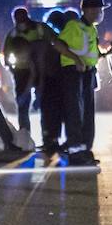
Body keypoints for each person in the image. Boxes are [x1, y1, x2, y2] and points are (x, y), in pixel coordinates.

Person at [52, 0, 112, 166]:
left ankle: (85, 150)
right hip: (72, 74)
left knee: (87, 114)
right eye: (99, 10)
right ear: (89, 10)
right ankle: (76, 153)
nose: (101, 13)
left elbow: (93, 56)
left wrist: (111, 51)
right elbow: (58, 44)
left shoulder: (91, 29)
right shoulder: (74, 26)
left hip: (87, 74)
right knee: (75, 113)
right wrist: (76, 60)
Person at [1, 6, 50, 133]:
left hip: (42, 70)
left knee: (45, 104)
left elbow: (53, 43)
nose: (19, 21)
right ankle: (25, 134)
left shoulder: (40, 29)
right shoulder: (12, 34)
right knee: (23, 105)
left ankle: (48, 136)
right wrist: (13, 70)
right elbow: (6, 55)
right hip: (21, 71)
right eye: (17, 19)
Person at [39, 9, 69, 156]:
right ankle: (54, 141)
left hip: (49, 80)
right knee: (58, 112)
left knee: (49, 113)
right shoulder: (62, 37)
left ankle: (50, 141)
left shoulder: (46, 38)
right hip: (59, 79)